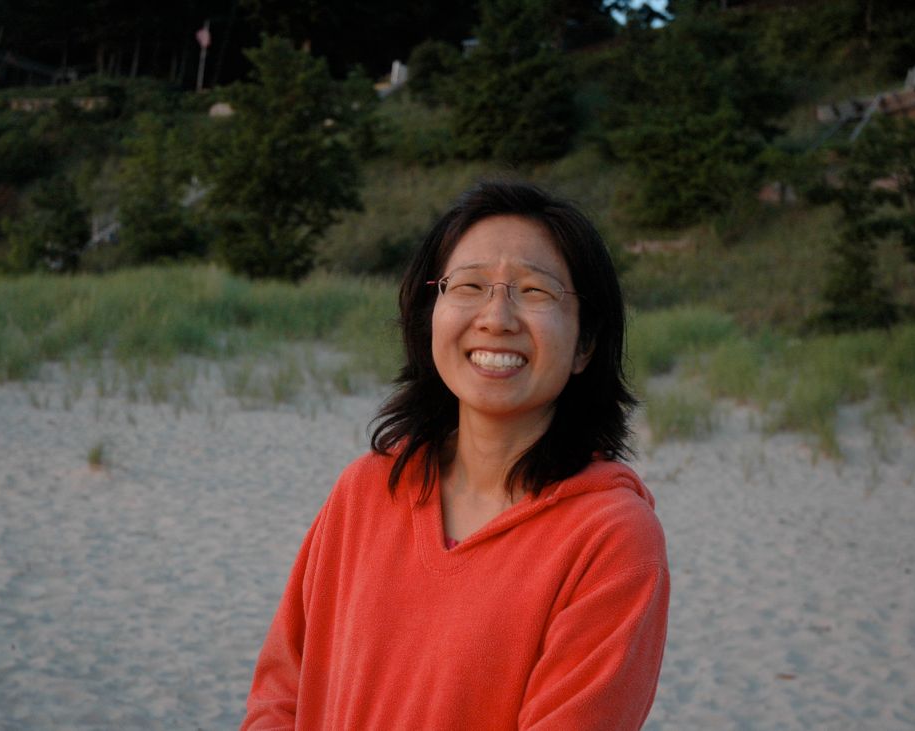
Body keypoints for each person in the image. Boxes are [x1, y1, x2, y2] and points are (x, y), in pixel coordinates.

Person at [242, 181, 669, 730]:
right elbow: (280, 693)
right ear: (431, 315)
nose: (497, 317)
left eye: (534, 291)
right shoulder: (366, 489)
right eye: (469, 285)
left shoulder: (611, 538)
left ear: (585, 342)